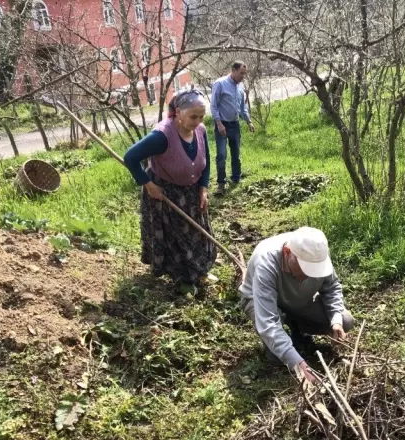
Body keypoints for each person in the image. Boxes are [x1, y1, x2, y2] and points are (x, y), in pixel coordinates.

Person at [123, 90, 217, 289]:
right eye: (193, 116)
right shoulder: (162, 136)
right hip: (165, 192)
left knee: (197, 232)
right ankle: (182, 278)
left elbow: (206, 161)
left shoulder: (200, 130)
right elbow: (130, 157)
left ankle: (198, 269)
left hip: (192, 192)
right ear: (178, 113)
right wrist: (148, 185)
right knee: (176, 236)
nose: (198, 121)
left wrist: (204, 188)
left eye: (201, 116)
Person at [239, 227, 354, 383]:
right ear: (287, 252)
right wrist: (297, 363)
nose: (308, 276)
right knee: (279, 357)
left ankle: (296, 328)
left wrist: (336, 320)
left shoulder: (317, 252)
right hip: (261, 302)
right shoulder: (266, 261)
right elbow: (268, 323)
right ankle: (290, 337)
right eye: (304, 269)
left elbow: (332, 287)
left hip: (298, 301)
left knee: (345, 320)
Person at [210, 60, 256, 196]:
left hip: (235, 125)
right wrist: (219, 124)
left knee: (236, 154)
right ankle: (221, 184)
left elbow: (243, 108)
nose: (243, 77)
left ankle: (236, 179)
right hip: (222, 125)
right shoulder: (220, 84)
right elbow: (213, 106)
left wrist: (249, 122)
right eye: (241, 73)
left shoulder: (240, 88)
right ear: (234, 70)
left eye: (244, 74)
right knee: (221, 154)